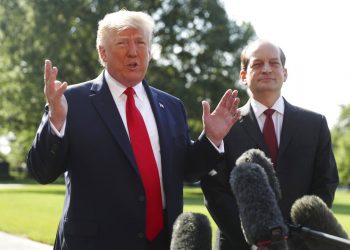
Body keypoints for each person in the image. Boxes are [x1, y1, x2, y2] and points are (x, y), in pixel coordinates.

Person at [26, 10, 241, 250]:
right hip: (95, 243)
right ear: (103, 52)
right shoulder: (70, 101)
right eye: (122, 43)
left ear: (149, 51)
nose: (133, 51)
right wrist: (56, 120)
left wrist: (210, 139)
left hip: (161, 242)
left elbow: (187, 171)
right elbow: (42, 171)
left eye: (141, 42)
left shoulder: (171, 106)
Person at [200, 39, 339, 250]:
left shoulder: (315, 124)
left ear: (285, 73)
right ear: (243, 76)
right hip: (239, 244)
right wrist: (258, 241)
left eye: (274, 63)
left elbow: (325, 184)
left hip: (299, 245)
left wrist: (298, 238)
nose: (266, 69)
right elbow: (214, 191)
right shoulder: (222, 125)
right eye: (257, 64)